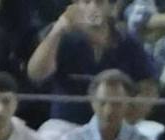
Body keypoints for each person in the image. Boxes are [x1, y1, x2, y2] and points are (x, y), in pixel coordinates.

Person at [26, 0, 158, 126]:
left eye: (99, 2)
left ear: (110, 7)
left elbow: (148, 86)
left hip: (115, 125)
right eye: (87, 2)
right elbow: (36, 74)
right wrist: (57, 30)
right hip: (66, 124)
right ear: (76, 5)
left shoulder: (127, 41)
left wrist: (131, 114)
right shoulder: (63, 38)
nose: (93, 7)